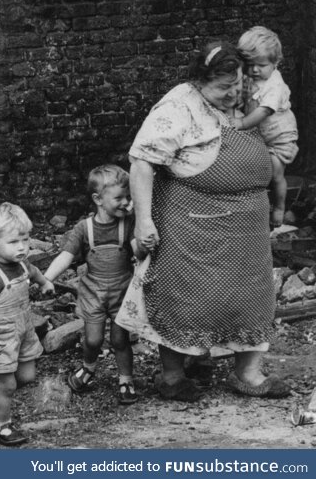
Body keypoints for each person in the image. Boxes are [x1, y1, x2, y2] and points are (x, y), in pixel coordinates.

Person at [116, 42, 291, 401]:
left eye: (237, 85)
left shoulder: (248, 96)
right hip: (192, 227)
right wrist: (144, 222)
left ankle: (247, 373)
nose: (232, 94)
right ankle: (172, 375)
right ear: (198, 82)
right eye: (222, 88)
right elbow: (142, 162)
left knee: (252, 298)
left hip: (247, 231)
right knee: (186, 299)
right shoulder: (178, 105)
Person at [44, 164, 146, 404]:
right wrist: (47, 278)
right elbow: (66, 256)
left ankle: (126, 379)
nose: (125, 202)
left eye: (128, 197)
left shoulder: (127, 224)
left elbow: (139, 253)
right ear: (98, 199)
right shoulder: (84, 229)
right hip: (94, 294)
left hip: (122, 292)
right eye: (119, 198)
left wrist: (140, 221)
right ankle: (88, 367)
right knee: (93, 339)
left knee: (121, 340)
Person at [0, 202, 54, 446]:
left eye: (25, 240)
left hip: (24, 330)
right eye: (14, 242)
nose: (22, 248)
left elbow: (34, 273)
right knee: (8, 385)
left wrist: (45, 283)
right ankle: (3, 426)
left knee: (27, 376)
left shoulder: (23, 264)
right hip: (1, 336)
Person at [234, 26, 298, 227]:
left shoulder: (274, 85)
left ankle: (280, 208)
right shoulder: (250, 77)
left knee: (275, 173)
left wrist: (243, 123)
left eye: (260, 65)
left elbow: (265, 110)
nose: (254, 70)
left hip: (280, 139)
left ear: (275, 63)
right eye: (249, 64)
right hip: (261, 135)